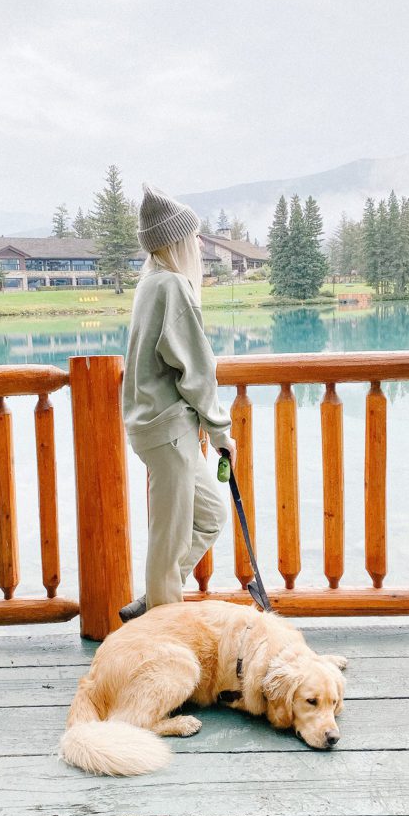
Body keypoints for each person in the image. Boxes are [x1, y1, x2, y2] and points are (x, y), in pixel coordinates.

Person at [119, 183, 236, 622]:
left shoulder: (150, 283)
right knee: (167, 539)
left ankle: (152, 601)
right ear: (178, 241)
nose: (201, 244)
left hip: (160, 428)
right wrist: (222, 432)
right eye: (195, 236)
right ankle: (160, 635)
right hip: (167, 430)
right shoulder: (171, 287)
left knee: (207, 514)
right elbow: (197, 371)